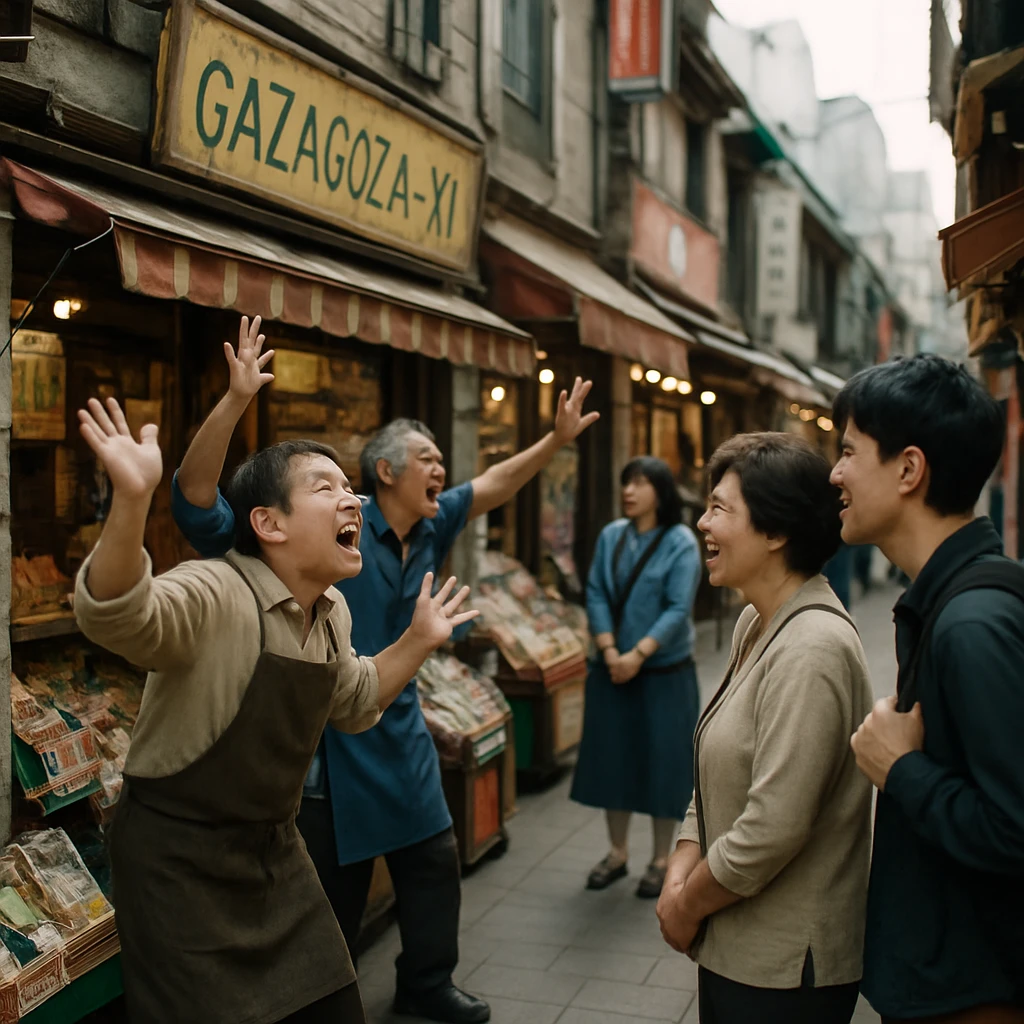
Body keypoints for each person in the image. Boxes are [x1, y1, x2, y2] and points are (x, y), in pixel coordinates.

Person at [170, 317, 599, 1024]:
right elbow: (199, 509)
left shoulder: (431, 524)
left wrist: (554, 441)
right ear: (386, 472)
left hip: (398, 719)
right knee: (329, 895)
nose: (441, 470)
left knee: (434, 862)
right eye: (427, 458)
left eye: (441, 460)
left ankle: (427, 982)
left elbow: (492, 484)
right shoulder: (331, 522)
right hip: (325, 741)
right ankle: (323, 999)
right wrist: (236, 399)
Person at [72, 395, 477, 1024]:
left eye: (350, 487)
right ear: (269, 523)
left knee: (332, 1005)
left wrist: (419, 638)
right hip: (176, 865)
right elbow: (120, 617)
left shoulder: (331, 612)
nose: (354, 500)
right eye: (326, 487)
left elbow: (357, 699)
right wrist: (131, 502)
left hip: (274, 851)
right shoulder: (216, 589)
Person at [832, 355, 1024, 1024]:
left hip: (972, 996)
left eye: (849, 451)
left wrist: (900, 769)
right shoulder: (951, 602)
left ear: (909, 469)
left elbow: (1016, 829)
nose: (835, 473)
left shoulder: (972, 624)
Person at [657, 433, 874, 1024]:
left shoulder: (812, 648)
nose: (702, 522)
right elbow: (714, 775)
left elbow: (772, 828)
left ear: (776, 532)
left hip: (784, 969)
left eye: (721, 509)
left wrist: (686, 905)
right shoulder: (758, 620)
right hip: (737, 946)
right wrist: (677, 870)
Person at [570, 456, 701, 899]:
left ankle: (661, 859)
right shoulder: (612, 536)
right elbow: (596, 592)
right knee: (614, 761)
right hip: (612, 667)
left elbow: (678, 609)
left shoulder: (681, 541)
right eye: (626, 482)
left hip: (665, 672)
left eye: (641, 483)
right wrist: (610, 650)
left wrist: (637, 655)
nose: (629, 490)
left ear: (661, 492)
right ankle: (617, 852)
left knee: (667, 765)